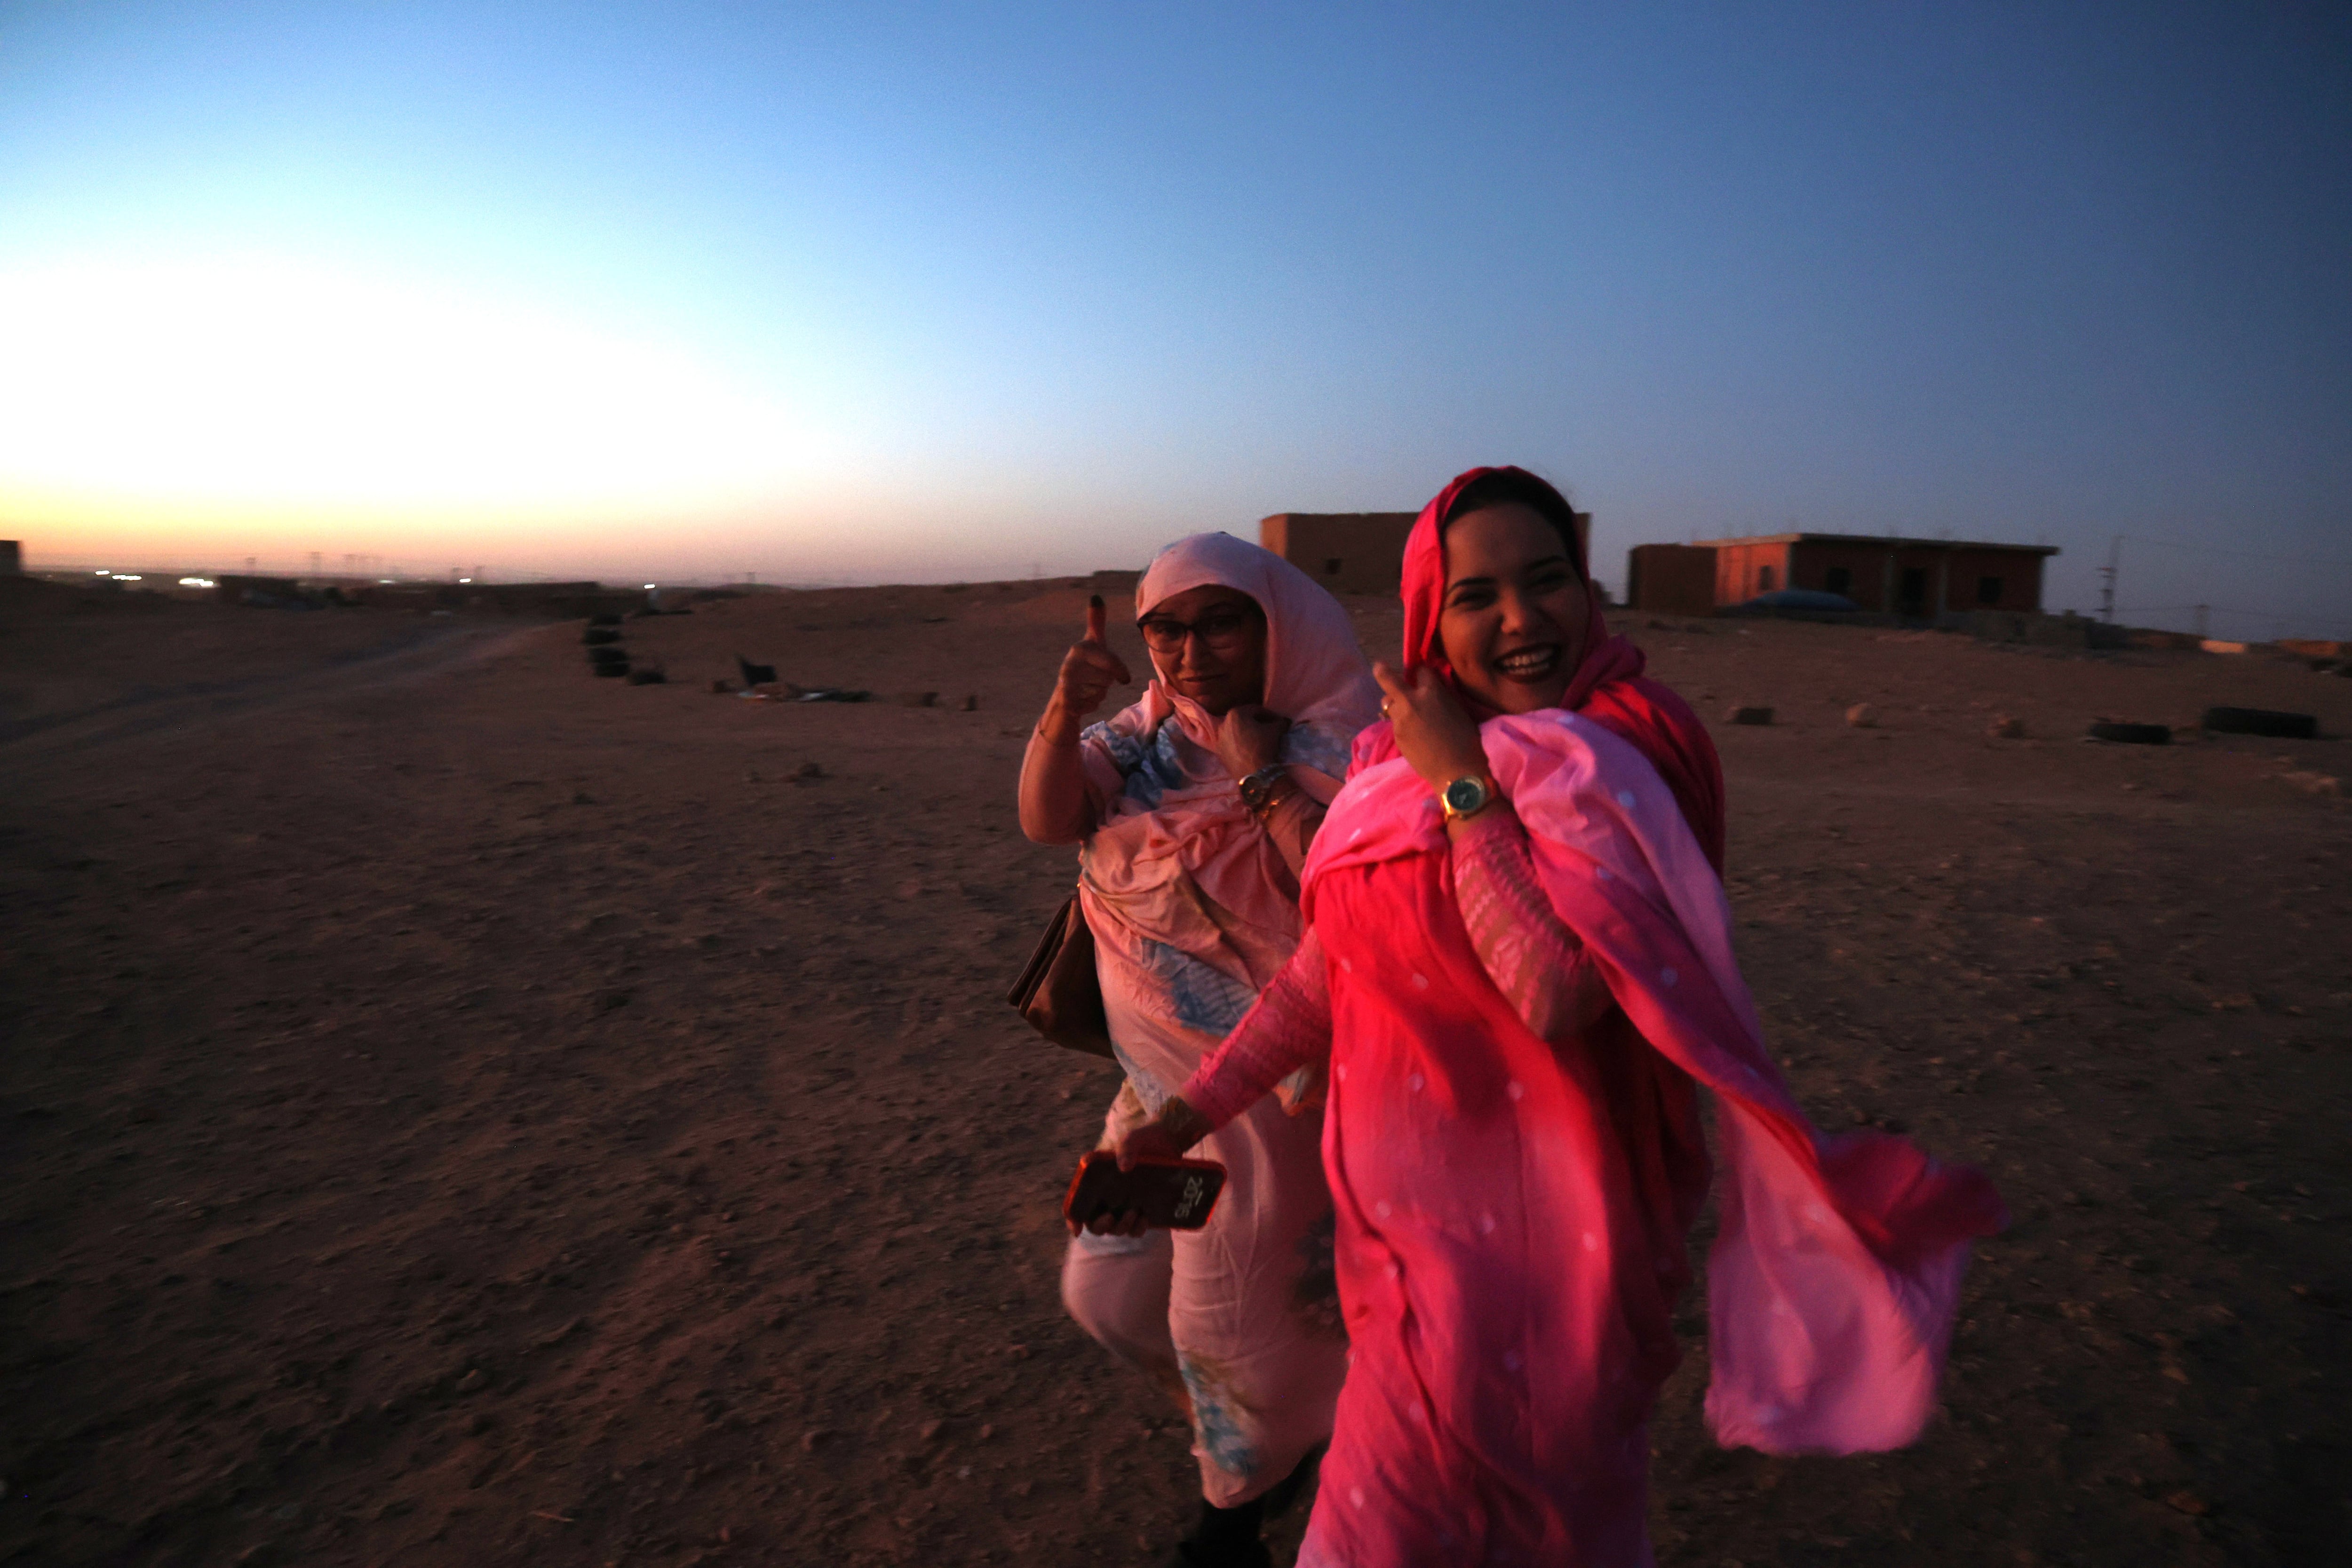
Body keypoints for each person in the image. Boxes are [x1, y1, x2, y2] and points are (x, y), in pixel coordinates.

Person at [1108, 468, 2007, 1567]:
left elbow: (1552, 986)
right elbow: (1330, 970)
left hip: (1549, 1268)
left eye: (1547, 582)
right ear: (1433, 615)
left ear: (1589, 594)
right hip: (1403, 1257)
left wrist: (1468, 787)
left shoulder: (1615, 756)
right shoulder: (1385, 764)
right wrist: (1193, 1108)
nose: (1521, 618)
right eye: (1477, 594)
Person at [1020, 533, 1384, 1567]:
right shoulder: (1141, 737)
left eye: (1219, 621)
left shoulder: (1350, 746)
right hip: (1154, 1097)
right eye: (1165, 629)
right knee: (1108, 1293)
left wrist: (1262, 772)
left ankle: (1230, 1519)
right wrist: (1063, 708)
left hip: (1275, 1102)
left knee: (1229, 1328)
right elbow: (1049, 818)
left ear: (1279, 626)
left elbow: (1350, 906)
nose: (1188, 650)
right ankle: (1290, 1436)